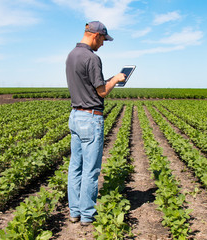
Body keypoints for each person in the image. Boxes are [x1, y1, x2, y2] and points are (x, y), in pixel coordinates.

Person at [65, 21, 126, 226]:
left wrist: (107, 79)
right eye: (103, 39)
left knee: (76, 167)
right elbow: (101, 92)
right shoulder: (92, 58)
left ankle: (74, 212)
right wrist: (116, 79)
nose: (103, 44)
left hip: (75, 115)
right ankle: (87, 215)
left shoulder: (71, 55)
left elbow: (89, 85)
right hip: (90, 118)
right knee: (90, 170)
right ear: (96, 35)